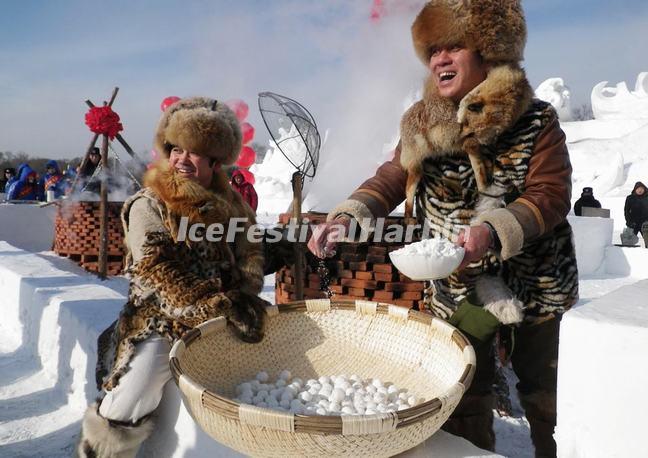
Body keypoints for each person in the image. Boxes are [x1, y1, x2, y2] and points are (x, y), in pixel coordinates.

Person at [308, 2, 577, 456]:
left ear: (488, 53)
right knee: (462, 399)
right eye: (433, 50)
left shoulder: (535, 119)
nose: (440, 60)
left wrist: (492, 232)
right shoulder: (420, 122)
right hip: (458, 288)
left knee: (548, 400)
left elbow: (550, 193)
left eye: (454, 46)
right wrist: (345, 218)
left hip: (536, 284)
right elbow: (391, 178)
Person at [77, 97, 269, 457]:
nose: (181, 159)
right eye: (175, 149)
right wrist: (213, 304)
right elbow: (154, 270)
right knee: (143, 376)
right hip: (161, 317)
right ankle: (104, 450)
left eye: (193, 152)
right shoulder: (149, 204)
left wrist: (301, 251)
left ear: (215, 160)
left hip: (226, 312)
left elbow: (252, 252)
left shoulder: (232, 206)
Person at [624, 181, 648, 247]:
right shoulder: (630, 198)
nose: (640, 190)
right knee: (627, 242)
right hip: (633, 222)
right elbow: (626, 211)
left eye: (641, 188)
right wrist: (629, 222)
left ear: (644, 189)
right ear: (635, 189)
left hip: (645, 223)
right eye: (638, 189)